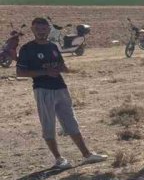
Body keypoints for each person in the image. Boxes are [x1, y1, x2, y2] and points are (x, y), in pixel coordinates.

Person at [16, 17, 107, 169]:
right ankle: (59, 159)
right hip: (43, 90)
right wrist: (44, 72)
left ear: (48, 30)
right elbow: (20, 72)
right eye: (38, 29)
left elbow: (62, 65)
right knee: (48, 125)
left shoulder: (52, 46)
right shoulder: (27, 49)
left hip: (61, 88)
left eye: (44, 29)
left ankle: (87, 155)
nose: (41, 32)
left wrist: (70, 69)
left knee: (71, 121)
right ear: (32, 30)